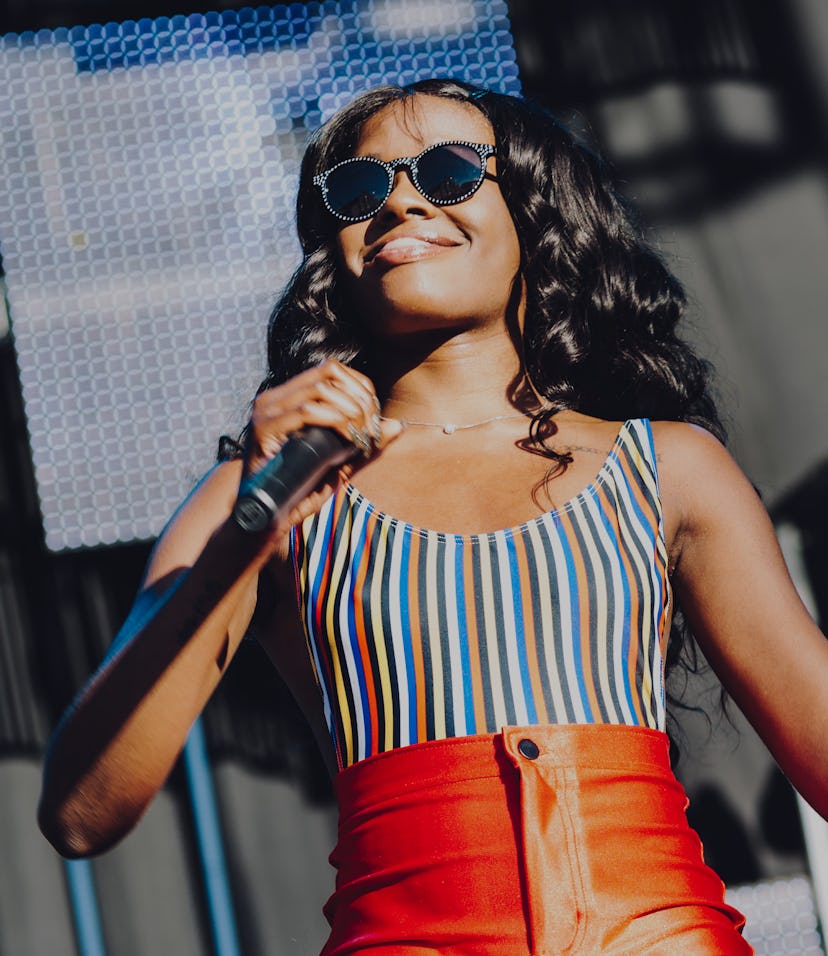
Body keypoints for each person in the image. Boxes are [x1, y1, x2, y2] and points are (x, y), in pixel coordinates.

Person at [38, 78, 828, 955]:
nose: (401, 199)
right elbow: (80, 813)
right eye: (358, 188)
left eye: (449, 171)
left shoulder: (666, 466)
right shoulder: (263, 493)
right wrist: (246, 535)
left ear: (533, 212)